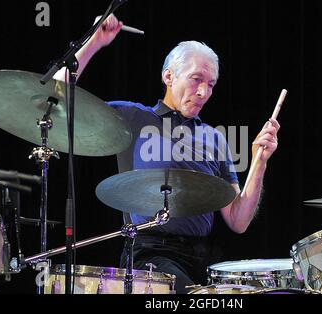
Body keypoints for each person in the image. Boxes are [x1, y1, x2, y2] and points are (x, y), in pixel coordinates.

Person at [55, 14, 280, 293]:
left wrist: (260, 160)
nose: (203, 92)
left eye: (211, 84)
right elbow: (57, 98)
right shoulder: (133, 117)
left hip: (202, 259)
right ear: (168, 76)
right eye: (196, 79)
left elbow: (238, 220)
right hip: (150, 257)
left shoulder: (215, 138)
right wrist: (94, 41)